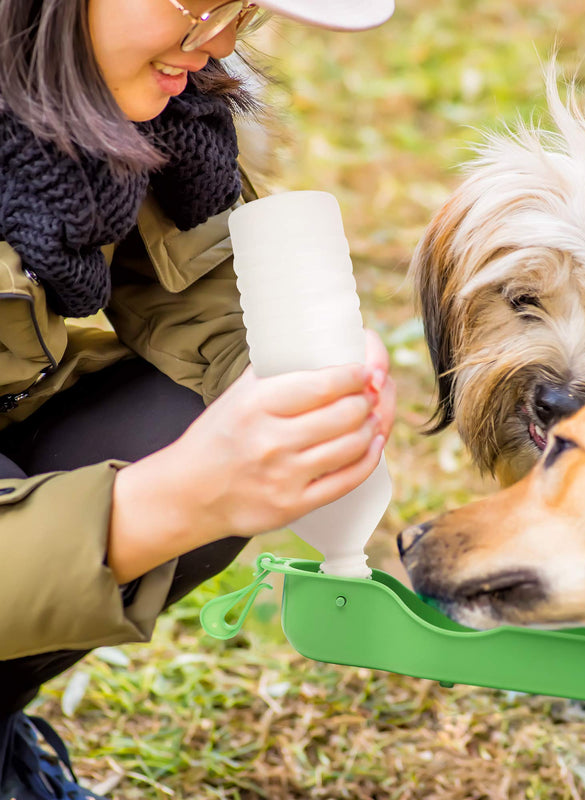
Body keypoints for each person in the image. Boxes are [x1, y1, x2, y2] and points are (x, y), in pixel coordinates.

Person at [0, 1, 397, 797]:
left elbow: (202, 288)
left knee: (206, 418)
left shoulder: (127, 115)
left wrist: (301, 375)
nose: (218, 40)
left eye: (242, 8)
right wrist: (165, 501)